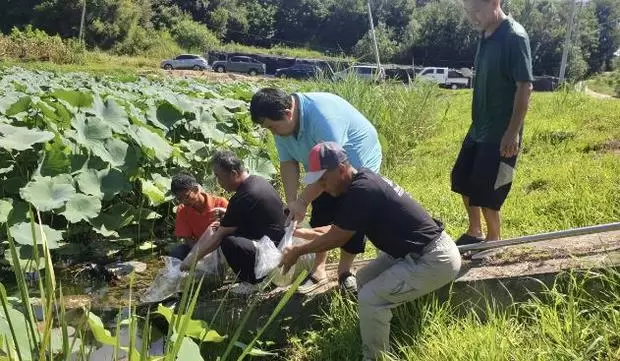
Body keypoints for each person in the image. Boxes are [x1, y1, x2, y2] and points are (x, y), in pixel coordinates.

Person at [281, 142, 461, 360]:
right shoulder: (358, 184)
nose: (322, 187)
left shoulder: (364, 190)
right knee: (363, 280)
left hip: (434, 259)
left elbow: (338, 237)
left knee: (371, 298)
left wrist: (298, 252)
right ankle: (383, 331)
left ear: (340, 169)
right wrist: (300, 233)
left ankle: (376, 357)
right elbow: (337, 229)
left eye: (323, 179)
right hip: (409, 254)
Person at [250, 87, 382, 293]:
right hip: (322, 168)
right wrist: (293, 201)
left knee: (352, 217)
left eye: (272, 127)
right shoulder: (282, 124)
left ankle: (344, 272)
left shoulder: (323, 118)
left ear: (287, 113)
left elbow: (331, 170)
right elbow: (288, 163)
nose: (272, 132)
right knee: (321, 211)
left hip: (354, 163)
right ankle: (318, 268)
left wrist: (303, 201)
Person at [452, 0, 534, 245]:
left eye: (476, 11)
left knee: (489, 190)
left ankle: (494, 239)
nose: (472, 17)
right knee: (462, 179)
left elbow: (525, 86)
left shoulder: (514, 37)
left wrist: (512, 132)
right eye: (468, 12)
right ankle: (474, 231)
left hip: (501, 130)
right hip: (478, 127)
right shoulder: (485, 35)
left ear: (495, 3)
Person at [180, 150, 286, 295]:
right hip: (275, 239)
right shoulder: (257, 181)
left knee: (228, 241)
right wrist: (227, 214)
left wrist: (190, 261)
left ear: (234, 173)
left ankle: (253, 282)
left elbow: (217, 238)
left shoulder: (243, 196)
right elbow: (253, 215)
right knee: (225, 231)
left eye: (219, 177)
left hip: (271, 252)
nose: (218, 182)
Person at [170, 173, 228, 260]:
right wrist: (199, 254)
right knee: (177, 253)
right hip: (199, 245)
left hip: (220, 244)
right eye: (179, 199)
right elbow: (188, 239)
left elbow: (232, 228)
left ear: (196, 190)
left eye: (186, 197)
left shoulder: (220, 203)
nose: (183, 201)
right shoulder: (182, 210)